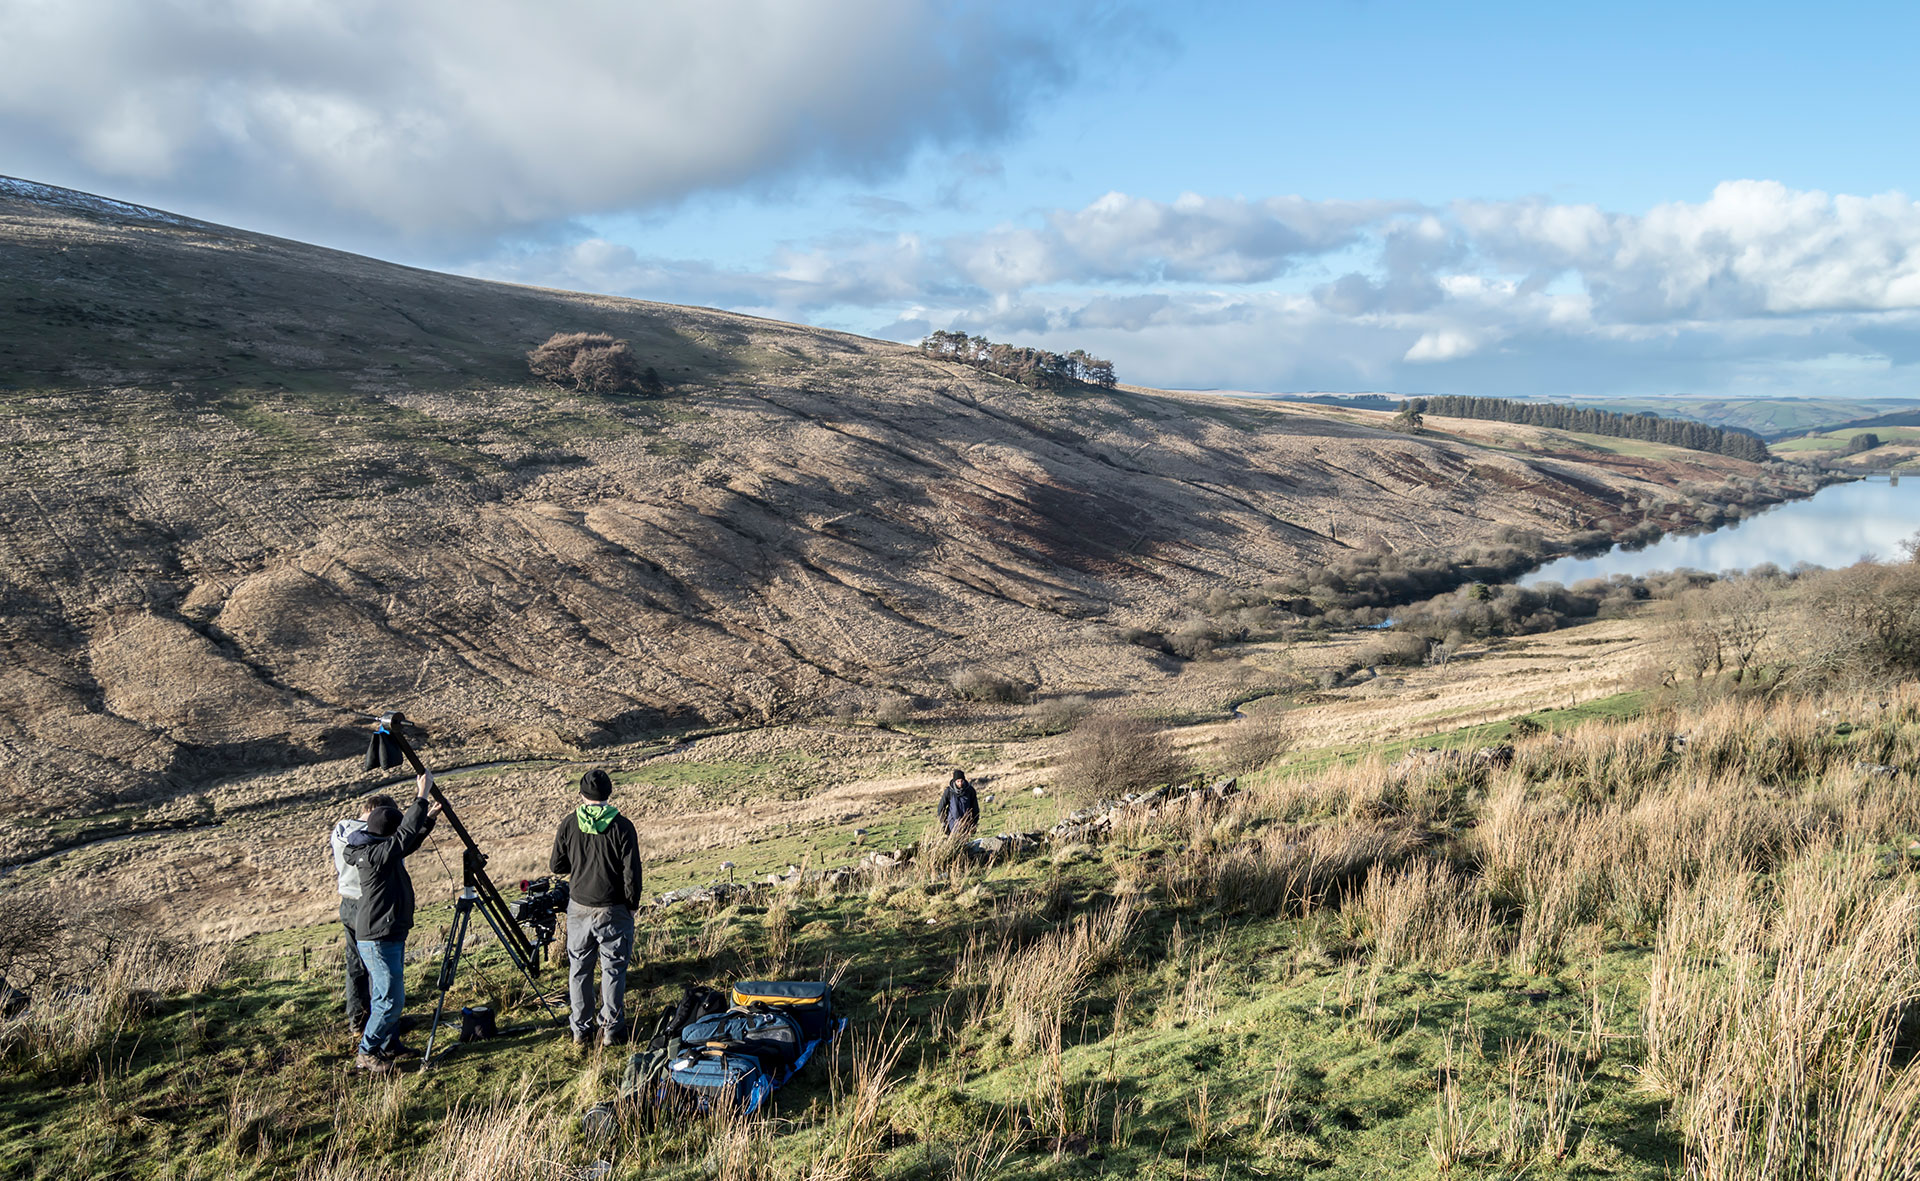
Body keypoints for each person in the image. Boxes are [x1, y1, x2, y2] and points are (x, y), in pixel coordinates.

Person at [341, 771, 439, 1074]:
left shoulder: (375, 849)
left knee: (390, 997)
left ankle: (385, 1045)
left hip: (388, 932)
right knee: (389, 1001)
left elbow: (405, 843)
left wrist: (427, 820)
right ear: (387, 834)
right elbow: (402, 840)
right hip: (379, 936)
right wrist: (420, 798)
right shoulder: (374, 855)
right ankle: (367, 1053)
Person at [550, 768, 643, 1048]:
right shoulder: (623, 826)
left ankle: (581, 1031)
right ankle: (612, 1030)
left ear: (582, 795)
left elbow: (557, 866)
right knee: (613, 969)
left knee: (579, 969)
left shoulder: (569, 823)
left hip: (579, 907)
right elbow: (632, 873)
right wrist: (632, 905)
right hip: (614, 908)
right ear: (609, 794)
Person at [330, 792, 397, 1035]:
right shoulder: (371, 836)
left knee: (355, 964)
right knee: (376, 964)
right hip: (367, 904)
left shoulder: (340, 828)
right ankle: (380, 1022)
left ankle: (356, 1020)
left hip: (346, 901)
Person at [937, 769, 980, 836]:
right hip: (952, 825)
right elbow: (941, 808)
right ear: (954, 781)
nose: (960, 783)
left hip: (966, 824)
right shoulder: (949, 791)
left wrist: (974, 823)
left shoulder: (970, 791)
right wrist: (944, 824)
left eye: (961, 781)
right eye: (958, 781)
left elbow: (975, 809)